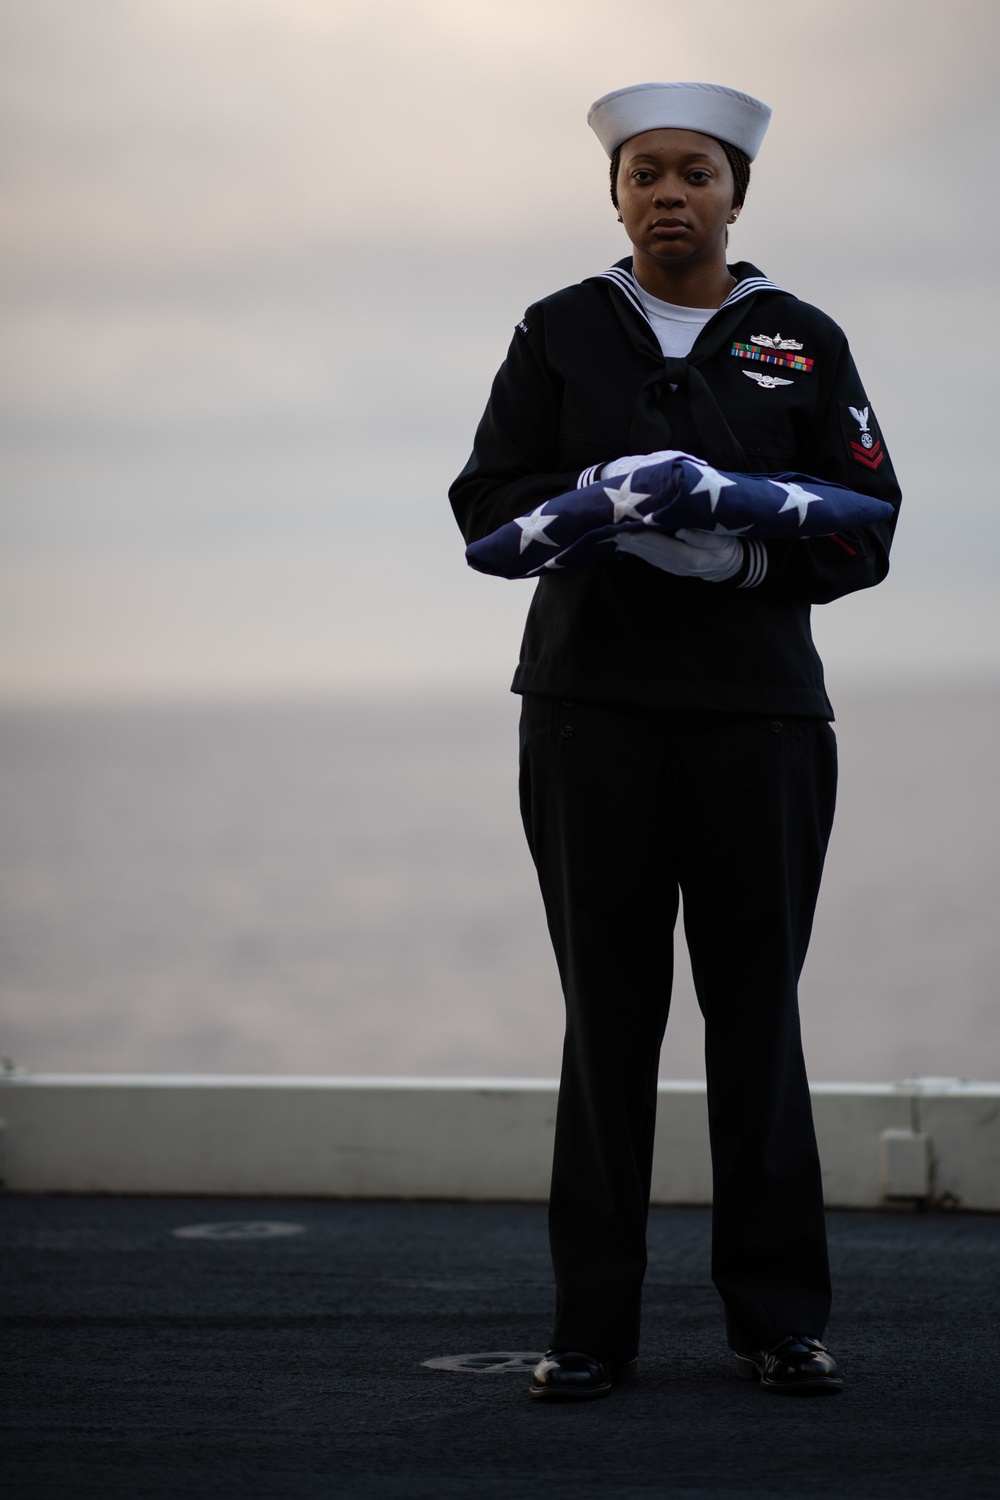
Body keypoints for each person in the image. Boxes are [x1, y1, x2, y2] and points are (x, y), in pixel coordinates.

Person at [449, 81, 900, 1400]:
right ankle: (592, 1329)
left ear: (735, 195)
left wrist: (735, 536)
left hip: (760, 718)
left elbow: (867, 524)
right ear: (616, 194)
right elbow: (488, 502)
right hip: (591, 714)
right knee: (610, 1023)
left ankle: (778, 1320)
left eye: (693, 173)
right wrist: (596, 506)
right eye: (644, 173)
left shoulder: (801, 341)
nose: (667, 194)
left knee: (758, 1019)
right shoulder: (559, 331)